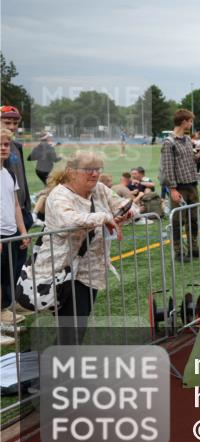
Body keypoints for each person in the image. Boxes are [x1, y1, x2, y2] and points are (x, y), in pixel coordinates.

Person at [16, 151, 134, 344]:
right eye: (88, 169)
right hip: (61, 269)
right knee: (72, 329)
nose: (95, 174)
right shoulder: (59, 195)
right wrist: (104, 217)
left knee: (75, 327)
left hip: (91, 270)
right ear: (71, 172)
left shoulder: (100, 189)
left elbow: (121, 203)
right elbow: (67, 221)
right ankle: (49, 368)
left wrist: (127, 213)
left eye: (97, 169)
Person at [159, 109, 200, 262]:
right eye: (190, 121)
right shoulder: (168, 142)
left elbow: (191, 160)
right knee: (178, 220)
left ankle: (194, 249)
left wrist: (199, 155)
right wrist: (172, 189)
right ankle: (179, 252)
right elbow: (168, 167)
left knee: (193, 219)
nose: (191, 124)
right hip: (178, 187)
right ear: (184, 121)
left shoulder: (186, 139)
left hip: (192, 185)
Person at [1, 129, 30, 317]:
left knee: (5, 277)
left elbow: (16, 205)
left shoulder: (9, 174)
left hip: (12, 234)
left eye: (6, 144)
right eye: (0, 144)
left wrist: (23, 231)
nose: (4, 148)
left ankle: (3, 311)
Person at [1, 106, 32, 231]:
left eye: (15, 123)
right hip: (6, 213)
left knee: (20, 249)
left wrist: (27, 206)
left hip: (21, 210)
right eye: (7, 122)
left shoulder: (16, 146)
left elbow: (21, 179)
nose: (12, 127)